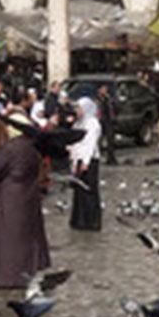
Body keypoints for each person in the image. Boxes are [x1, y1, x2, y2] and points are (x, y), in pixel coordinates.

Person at [0, 111, 51, 288]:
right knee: (24, 238)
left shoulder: (9, 148)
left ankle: (4, 276)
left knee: (6, 239)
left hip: (9, 196)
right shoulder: (33, 147)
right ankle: (24, 274)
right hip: (29, 195)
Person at [67, 95, 103, 232]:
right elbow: (76, 142)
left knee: (89, 190)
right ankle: (80, 220)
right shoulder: (79, 122)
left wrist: (86, 161)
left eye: (79, 108)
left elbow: (90, 144)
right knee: (79, 191)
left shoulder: (93, 123)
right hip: (79, 159)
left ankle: (92, 221)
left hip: (89, 160)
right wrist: (74, 159)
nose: (77, 111)